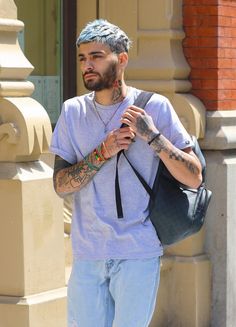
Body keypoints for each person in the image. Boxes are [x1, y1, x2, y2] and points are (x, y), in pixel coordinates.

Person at [50, 19, 202, 327]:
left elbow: (194, 177)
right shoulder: (72, 112)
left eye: (96, 56)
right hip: (87, 256)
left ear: (121, 59)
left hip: (138, 253)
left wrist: (153, 137)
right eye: (82, 58)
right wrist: (102, 152)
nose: (87, 65)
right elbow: (61, 185)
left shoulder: (154, 106)